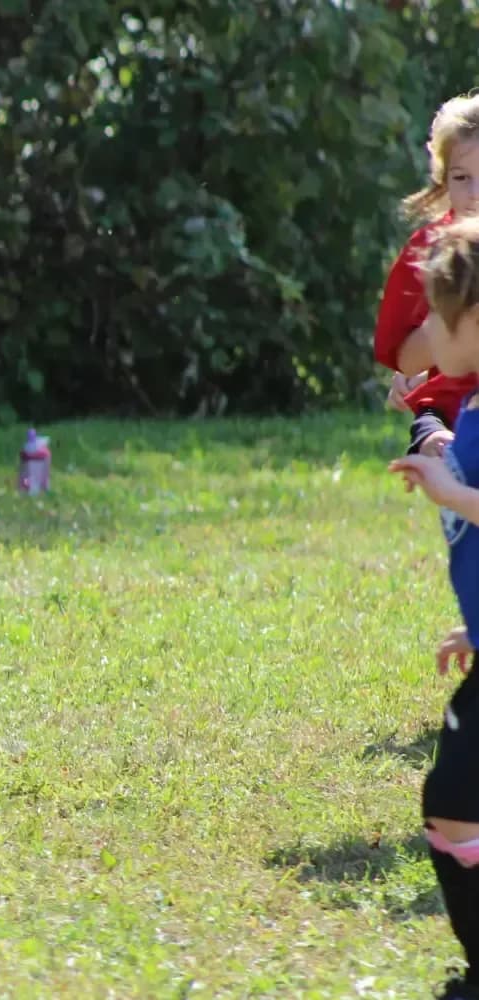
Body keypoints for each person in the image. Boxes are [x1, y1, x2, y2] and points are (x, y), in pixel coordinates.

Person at [389, 215, 479, 1000]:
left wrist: (452, 491)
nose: (423, 334)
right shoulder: (472, 411)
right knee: (452, 805)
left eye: (434, 319)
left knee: (452, 802)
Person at [376, 92, 479, 457]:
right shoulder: (431, 250)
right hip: (447, 405)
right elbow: (401, 354)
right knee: (433, 428)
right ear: (442, 179)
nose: (475, 193)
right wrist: (450, 324)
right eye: (462, 177)